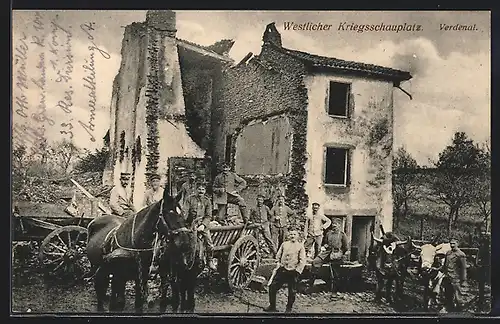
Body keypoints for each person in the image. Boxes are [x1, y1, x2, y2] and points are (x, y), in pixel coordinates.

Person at [265, 229, 306, 313]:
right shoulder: (284, 244)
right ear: (288, 236)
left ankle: (288, 309)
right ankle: (272, 306)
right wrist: (278, 263)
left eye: (294, 234)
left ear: (297, 236)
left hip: (293, 271)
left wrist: (297, 271)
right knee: (272, 286)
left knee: (292, 291)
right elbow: (278, 256)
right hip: (283, 270)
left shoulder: (300, 246)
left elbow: (302, 260)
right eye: (291, 234)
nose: (292, 236)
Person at [306, 222, 349, 291]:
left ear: (339, 226)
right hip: (327, 253)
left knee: (335, 271)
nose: (334, 227)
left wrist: (341, 254)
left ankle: (335, 289)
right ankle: (310, 284)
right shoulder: (328, 234)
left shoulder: (342, 235)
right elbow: (325, 243)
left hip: (337, 254)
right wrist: (325, 246)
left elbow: (346, 247)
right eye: (333, 225)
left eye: (336, 225)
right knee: (315, 262)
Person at [184, 183, 216, 270]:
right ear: (196, 189)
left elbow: (209, 215)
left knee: (209, 243)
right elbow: (185, 211)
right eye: (199, 189)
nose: (201, 191)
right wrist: (184, 221)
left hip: (202, 224)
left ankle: (210, 260)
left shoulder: (207, 201)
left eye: (203, 190)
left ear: (205, 191)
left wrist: (203, 225)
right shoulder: (189, 199)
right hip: (190, 223)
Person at [443, 237, 467, 311]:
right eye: (451, 243)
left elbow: (463, 268)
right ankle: (450, 308)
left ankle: (460, 310)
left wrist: (463, 280)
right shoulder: (448, 253)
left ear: (458, 244)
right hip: (447, 277)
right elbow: (445, 265)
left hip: (456, 278)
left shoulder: (461, 254)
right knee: (448, 294)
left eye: (454, 243)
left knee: (458, 295)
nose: (452, 245)